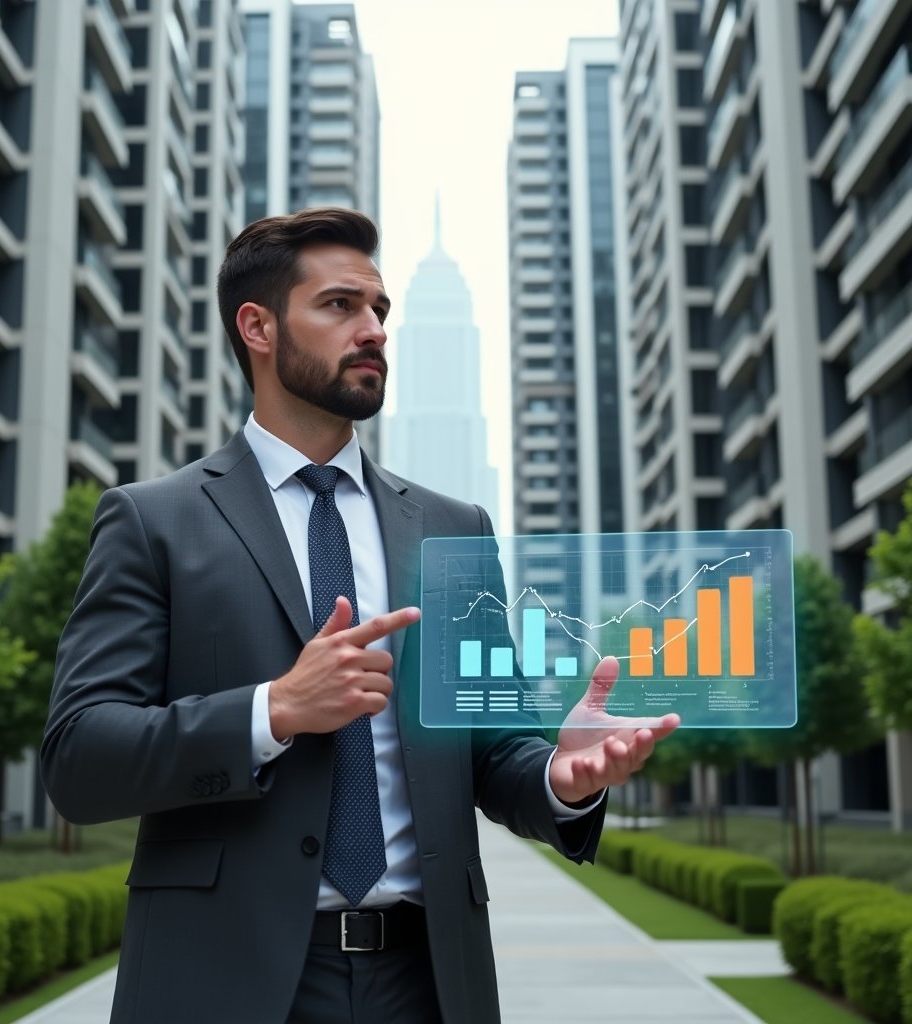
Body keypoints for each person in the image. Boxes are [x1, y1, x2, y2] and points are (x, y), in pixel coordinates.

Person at [41, 207, 679, 1024]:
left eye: (379, 309)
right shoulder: (153, 521)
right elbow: (79, 757)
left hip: (429, 983)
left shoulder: (453, 530)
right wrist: (273, 711)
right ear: (258, 327)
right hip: (223, 982)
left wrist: (560, 776)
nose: (374, 329)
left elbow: (494, 747)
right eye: (341, 306)